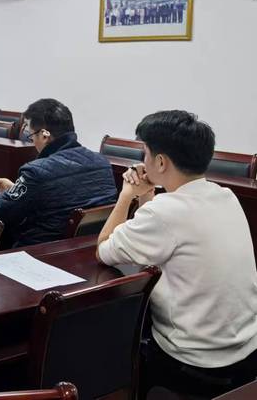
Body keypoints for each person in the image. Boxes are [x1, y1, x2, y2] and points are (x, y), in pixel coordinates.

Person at [96, 111, 257, 399]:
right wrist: (146, 195)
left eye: (145, 153)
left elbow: (104, 250)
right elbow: (160, 234)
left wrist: (126, 195)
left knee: (114, 343)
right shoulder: (226, 196)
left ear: (160, 162)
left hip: (192, 364)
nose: (143, 161)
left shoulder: (165, 212)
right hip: (246, 354)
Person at [0, 98, 118, 246]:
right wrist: (15, 189)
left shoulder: (36, 171)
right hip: (91, 247)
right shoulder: (102, 162)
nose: (32, 141)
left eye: (31, 136)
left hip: (42, 250)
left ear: (44, 135)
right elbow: (63, 197)